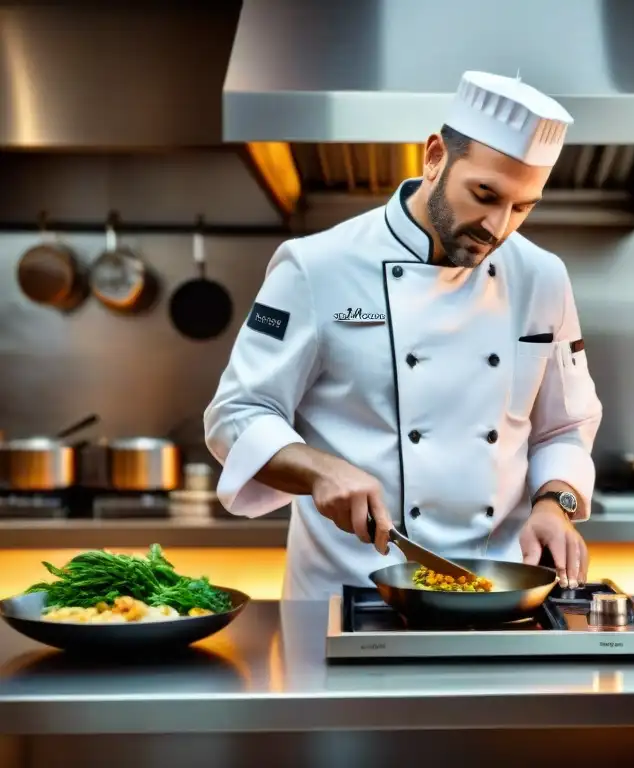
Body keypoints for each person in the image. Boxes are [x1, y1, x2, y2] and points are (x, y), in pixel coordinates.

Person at [203, 70, 603, 600]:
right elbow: (237, 414)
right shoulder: (316, 266)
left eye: (523, 207)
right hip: (348, 587)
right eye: (484, 193)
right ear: (435, 156)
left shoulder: (543, 277)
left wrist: (556, 504)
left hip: (497, 590)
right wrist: (319, 470)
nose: (498, 226)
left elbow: (564, 427)